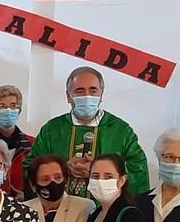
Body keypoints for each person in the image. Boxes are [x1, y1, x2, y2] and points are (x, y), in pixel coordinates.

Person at [28, 66, 149, 197]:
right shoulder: (52, 129)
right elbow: (31, 166)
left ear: (101, 95)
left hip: (105, 210)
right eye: (80, 91)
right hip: (59, 209)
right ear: (68, 96)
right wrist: (62, 169)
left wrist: (97, 173)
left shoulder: (121, 131)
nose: (87, 96)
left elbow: (138, 170)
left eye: (93, 90)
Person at [0, 85, 35, 199]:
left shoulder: (33, 144)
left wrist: (28, 195)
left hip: (26, 205)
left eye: (13, 106)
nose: (9, 110)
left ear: (19, 111)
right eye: (2, 106)